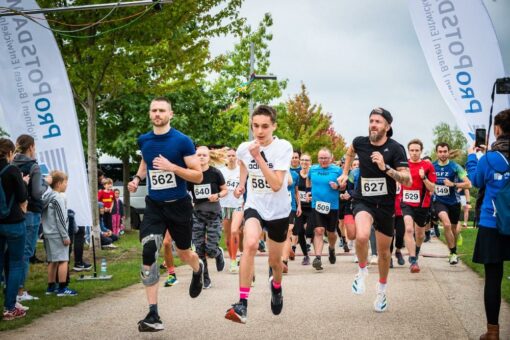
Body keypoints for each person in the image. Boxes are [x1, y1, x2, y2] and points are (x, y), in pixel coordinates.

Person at [128, 97, 203, 332]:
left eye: (162, 110)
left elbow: (198, 175)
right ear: (150, 114)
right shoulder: (145, 140)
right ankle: (153, 314)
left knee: (183, 253)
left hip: (179, 205)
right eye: (154, 110)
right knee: (149, 250)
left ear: (171, 114)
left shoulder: (182, 141)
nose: (157, 113)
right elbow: (145, 162)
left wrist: (173, 168)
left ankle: (198, 268)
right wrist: (137, 178)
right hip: (155, 206)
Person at [338, 107, 411, 312]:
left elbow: (407, 178)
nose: (373, 124)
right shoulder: (360, 142)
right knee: (361, 237)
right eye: (371, 120)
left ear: (387, 126)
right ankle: (362, 271)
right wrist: (345, 173)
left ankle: (381, 291)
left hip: (386, 205)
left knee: (384, 253)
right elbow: (350, 151)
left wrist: (385, 168)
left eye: (378, 121)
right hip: (364, 201)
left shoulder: (396, 148)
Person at [225, 105, 293, 324]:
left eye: (265, 126)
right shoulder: (245, 147)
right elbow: (244, 164)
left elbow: (275, 184)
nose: (260, 131)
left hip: (279, 210)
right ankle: (242, 304)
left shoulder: (283, 147)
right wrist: (242, 185)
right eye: (256, 126)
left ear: (274, 126)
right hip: (255, 205)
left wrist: (259, 157)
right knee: (251, 244)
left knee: (275, 262)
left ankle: (276, 287)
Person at [466, 109, 510, 339]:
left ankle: (493, 332)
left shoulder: (491, 158)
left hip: (492, 223)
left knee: (494, 277)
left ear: (497, 130)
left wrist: (473, 157)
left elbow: (475, 179)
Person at [12, 134, 49, 302]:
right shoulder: (33, 166)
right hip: (31, 211)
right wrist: (46, 182)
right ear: (31, 147)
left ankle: (10, 287)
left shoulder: (11, 163)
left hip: (13, 212)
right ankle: (20, 291)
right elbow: (37, 192)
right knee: (25, 253)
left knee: (12, 253)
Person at [189, 146, 228, 289]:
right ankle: (205, 279)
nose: (201, 157)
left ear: (209, 157)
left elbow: (225, 190)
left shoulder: (215, 173)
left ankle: (218, 253)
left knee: (210, 249)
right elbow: (186, 191)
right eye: (198, 155)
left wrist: (217, 195)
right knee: (199, 249)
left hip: (214, 215)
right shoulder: (192, 174)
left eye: (204, 155)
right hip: (197, 215)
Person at [0, 138, 28, 320]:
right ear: (10, 153)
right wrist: (23, 182)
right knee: (16, 263)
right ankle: (10, 308)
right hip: (14, 222)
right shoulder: (12, 170)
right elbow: (22, 195)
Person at [400, 139, 436, 273]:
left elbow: (432, 188)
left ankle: (417, 249)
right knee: (409, 229)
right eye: (412, 150)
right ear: (408, 151)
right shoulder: (404, 165)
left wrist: (424, 178)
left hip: (422, 204)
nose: (414, 153)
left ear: (421, 151)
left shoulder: (427, 166)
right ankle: (413, 259)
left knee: (419, 234)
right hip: (406, 202)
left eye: (417, 150)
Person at [432, 142, 472, 265]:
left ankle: (455, 239)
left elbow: (468, 184)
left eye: (445, 151)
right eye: (440, 151)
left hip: (454, 202)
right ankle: (453, 253)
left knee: (454, 229)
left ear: (448, 152)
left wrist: (453, 184)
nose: (443, 154)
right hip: (439, 201)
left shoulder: (455, 167)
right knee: (447, 225)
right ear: (437, 152)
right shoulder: (432, 166)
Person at [41, 170, 78, 297]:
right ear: (58, 184)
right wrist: (65, 235)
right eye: (65, 182)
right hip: (58, 234)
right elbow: (61, 218)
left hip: (48, 233)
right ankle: (62, 288)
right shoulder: (59, 198)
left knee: (52, 260)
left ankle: (51, 286)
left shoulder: (47, 197)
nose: (66, 185)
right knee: (63, 260)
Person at [307, 148, 342, 270]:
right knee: (319, 231)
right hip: (317, 206)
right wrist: (308, 193)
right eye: (321, 158)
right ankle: (318, 258)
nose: (323, 160)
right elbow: (308, 182)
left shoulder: (337, 170)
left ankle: (331, 248)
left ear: (331, 158)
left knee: (331, 233)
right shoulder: (313, 169)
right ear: (318, 159)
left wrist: (337, 186)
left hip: (332, 206)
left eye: (326, 158)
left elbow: (344, 186)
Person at [220, 148, 244, 273]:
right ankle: (233, 260)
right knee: (228, 236)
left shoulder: (241, 171)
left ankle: (238, 256)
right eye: (228, 155)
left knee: (235, 231)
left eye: (233, 155)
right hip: (224, 205)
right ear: (225, 158)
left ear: (236, 157)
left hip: (238, 205)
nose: (231, 158)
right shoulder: (221, 172)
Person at [293, 153, 313, 265]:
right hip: (300, 207)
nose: (304, 162)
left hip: (311, 207)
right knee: (299, 231)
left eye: (307, 160)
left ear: (310, 162)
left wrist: (312, 195)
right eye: (302, 160)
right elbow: (294, 190)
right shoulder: (296, 175)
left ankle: (309, 242)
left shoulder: (313, 174)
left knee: (310, 229)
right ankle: (306, 255)